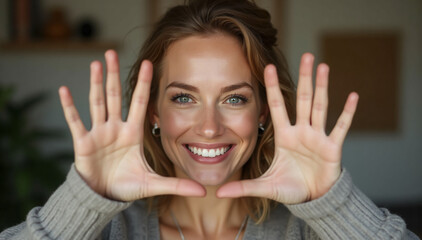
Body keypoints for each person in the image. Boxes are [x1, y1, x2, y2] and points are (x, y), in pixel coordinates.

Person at [0, 0, 418, 239]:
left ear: (263, 114)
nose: (209, 127)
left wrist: (334, 204)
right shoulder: (108, 230)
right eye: (184, 97)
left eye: (234, 99)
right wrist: (83, 200)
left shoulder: (307, 230)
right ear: (153, 114)